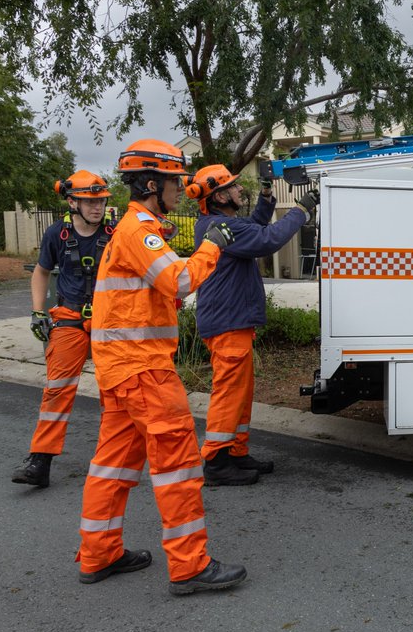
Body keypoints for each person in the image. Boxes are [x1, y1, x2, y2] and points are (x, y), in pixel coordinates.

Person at [76, 138, 246, 595]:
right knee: (179, 465)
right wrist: (210, 245)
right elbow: (181, 280)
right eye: (174, 181)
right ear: (153, 184)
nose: (180, 188)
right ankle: (189, 566)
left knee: (112, 465)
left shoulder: (136, 230)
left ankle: (99, 553)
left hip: (121, 369)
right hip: (144, 370)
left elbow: (156, 287)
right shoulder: (138, 230)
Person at [186, 165, 319, 485]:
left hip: (231, 321)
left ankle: (235, 453)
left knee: (241, 394)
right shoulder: (220, 225)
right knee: (229, 394)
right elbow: (268, 238)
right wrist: (301, 210)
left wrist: (267, 196)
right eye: (233, 187)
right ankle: (216, 462)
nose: (238, 190)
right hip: (227, 322)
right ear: (219, 196)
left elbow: (255, 226)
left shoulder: (219, 223)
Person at [13, 171, 115, 488]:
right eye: (89, 201)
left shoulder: (117, 232)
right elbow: (41, 272)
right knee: (57, 390)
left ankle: (117, 457)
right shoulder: (56, 234)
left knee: (115, 390)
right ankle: (39, 462)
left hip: (109, 320)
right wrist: (37, 311)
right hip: (69, 318)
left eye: (100, 201)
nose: (97, 207)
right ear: (73, 202)